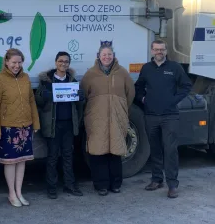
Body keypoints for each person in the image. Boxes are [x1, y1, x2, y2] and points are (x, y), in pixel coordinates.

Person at [135, 39, 192, 198]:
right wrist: (143, 99)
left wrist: (174, 100)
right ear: (152, 51)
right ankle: (157, 179)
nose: (159, 52)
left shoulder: (175, 68)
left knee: (170, 149)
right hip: (151, 115)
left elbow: (186, 85)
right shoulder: (146, 68)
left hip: (170, 116)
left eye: (162, 49)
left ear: (166, 51)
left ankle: (172, 184)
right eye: (156, 49)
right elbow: (138, 87)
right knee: (155, 149)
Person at [80, 41, 135, 196]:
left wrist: (121, 109)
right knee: (98, 153)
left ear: (114, 56)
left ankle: (115, 184)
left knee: (115, 152)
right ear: (99, 56)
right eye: (104, 54)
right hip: (96, 119)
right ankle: (101, 185)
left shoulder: (122, 73)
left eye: (109, 54)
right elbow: (83, 96)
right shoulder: (90, 74)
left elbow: (130, 93)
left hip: (117, 118)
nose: (107, 57)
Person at [0, 48, 40, 207]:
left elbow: (31, 101)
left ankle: (19, 192)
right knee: (10, 162)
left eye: (19, 62)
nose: (17, 65)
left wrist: (35, 122)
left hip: (25, 126)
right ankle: (11, 194)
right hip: (8, 128)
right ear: (6, 62)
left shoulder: (25, 78)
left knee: (22, 161)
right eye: (13, 62)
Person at [36, 51, 84, 199]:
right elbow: (38, 102)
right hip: (53, 125)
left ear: (69, 64)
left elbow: (79, 105)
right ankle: (52, 187)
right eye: (61, 61)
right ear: (56, 62)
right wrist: (43, 96)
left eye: (66, 62)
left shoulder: (72, 80)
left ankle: (69, 185)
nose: (63, 64)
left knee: (68, 155)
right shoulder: (46, 81)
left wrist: (81, 98)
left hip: (68, 124)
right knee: (52, 157)